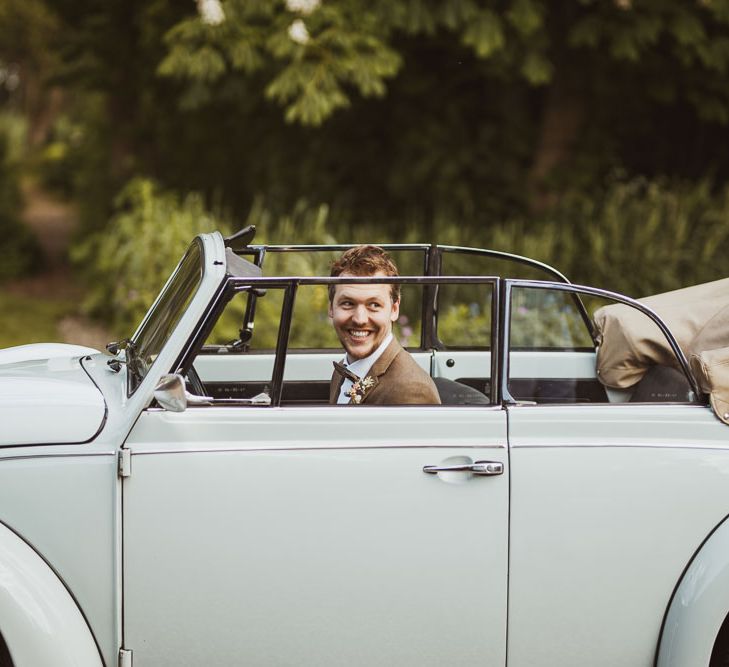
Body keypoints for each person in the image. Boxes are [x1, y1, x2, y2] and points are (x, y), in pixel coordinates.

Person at [328, 245, 441, 405]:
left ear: (394, 309)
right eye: (347, 303)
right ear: (331, 307)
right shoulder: (342, 369)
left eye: (374, 305)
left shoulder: (412, 391)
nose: (360, 319)